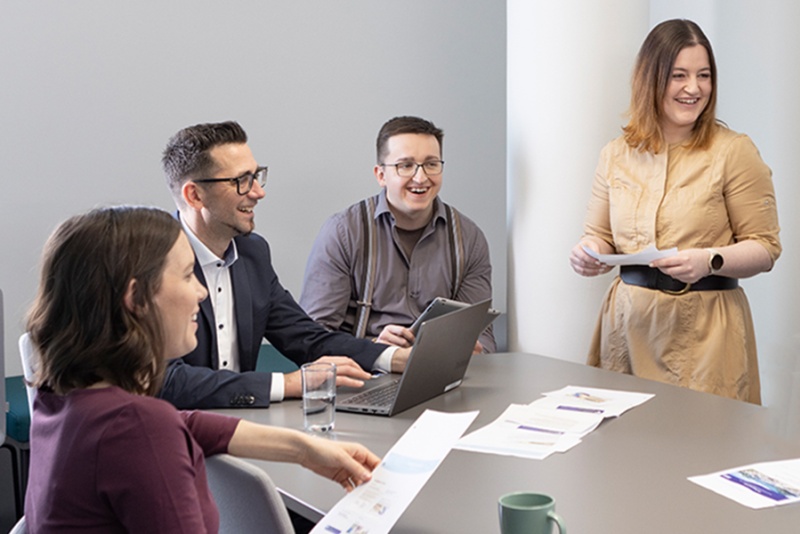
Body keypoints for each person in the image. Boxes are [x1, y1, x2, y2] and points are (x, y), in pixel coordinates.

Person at [24, 206, 380, 532]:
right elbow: (157, 429)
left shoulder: (59, 398)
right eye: (186, 276)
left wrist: (303, 450)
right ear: (136, 299)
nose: (202, 292)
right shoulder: (139, 427)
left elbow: (186, 424)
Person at [569, 19, 781, 404]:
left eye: (704, 75)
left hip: (705, 337)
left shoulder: (734, 151)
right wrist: (587, 253)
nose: (694, 88)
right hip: (628, 330)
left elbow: (765, 249)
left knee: (702, 449)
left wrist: (709, 260)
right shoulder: (616, 154)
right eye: (678, 75)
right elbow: (597, 234)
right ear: (650, 79)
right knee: (624, 452)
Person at [161, 121, 411, 409]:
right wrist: (289, 383)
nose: (258, 192)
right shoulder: (151, 261)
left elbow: (306, 338)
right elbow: (165, 379)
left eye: (256, 176)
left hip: (245, 427)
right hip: (175, 434)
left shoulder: (252, 254)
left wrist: (391, 357)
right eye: (241, 181)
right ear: (194, 195)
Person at [300, 116, 495, 353]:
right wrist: (373, 348)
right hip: (364, 375)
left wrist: (477, 351)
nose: (421, 178)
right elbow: (312, 339)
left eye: (431, 164)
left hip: (440, 375)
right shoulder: (343, 233)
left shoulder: (469, 239)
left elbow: (483, 337)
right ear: (381, 175)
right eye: (406, 165)